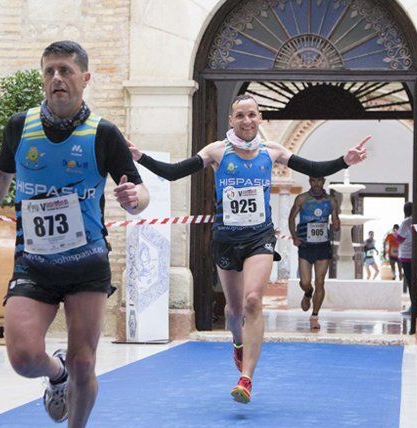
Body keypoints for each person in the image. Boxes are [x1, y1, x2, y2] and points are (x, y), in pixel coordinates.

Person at [0, 41, 149, 428]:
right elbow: (1, 172)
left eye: (65, 70)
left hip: (86, 263)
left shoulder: (104, 134)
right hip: (34, 262)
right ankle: (55, 373)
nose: (57, 79)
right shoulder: (19, 126)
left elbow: (139, 194)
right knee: (24, 358)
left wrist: (132, 198)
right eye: (49, 71)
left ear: (85, 79)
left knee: (87, 361)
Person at [126, 94, 369, 404]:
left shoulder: (273, 151)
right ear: (231, 120)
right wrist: (140, 156)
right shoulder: (216, 151)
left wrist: (345, 161)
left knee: (253, 300)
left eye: (252, 115)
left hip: (260, 237)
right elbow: (175, 172)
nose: (246, 121)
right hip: (226, 238)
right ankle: (239, 343)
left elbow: (312, 166)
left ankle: (247, 378)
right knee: (235, 310)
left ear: (260, 118)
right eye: (240, 115)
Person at [288, 177, 340, 330]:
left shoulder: (331, 200)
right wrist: (294, 236)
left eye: (319, 181)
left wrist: (336, 225)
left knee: (320, 282)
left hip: (323, 246)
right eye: (313, 181)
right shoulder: (302, 199)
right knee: (305, 282)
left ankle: (315, 316)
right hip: (305, 245)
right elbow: (291, 218)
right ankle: (308, 293)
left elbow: (336, 221)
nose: (316, 184)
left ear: (323, 181)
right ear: (310, 182)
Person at [396, 202, 417, 316]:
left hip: (406, 256)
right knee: (415, 282)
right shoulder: (416, 221)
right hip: (415, 256)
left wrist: (395, 234)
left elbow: (399, 239)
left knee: (410, 283)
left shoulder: (406, 222)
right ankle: (415, 305)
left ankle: (413, 307)